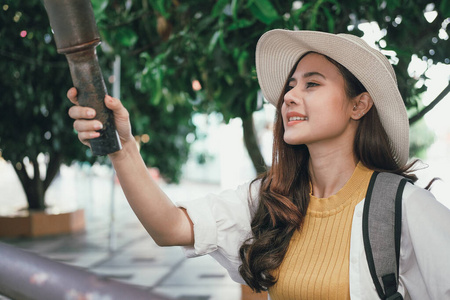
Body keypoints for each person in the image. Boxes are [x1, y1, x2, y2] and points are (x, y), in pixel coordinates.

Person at [67, 29, 450, 299]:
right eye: (290, 85)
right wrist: (123, 149)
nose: (289, 97)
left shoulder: (404, 206)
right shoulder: (271, 199)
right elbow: (168, 227)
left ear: (358, 105)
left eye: (311, 84)